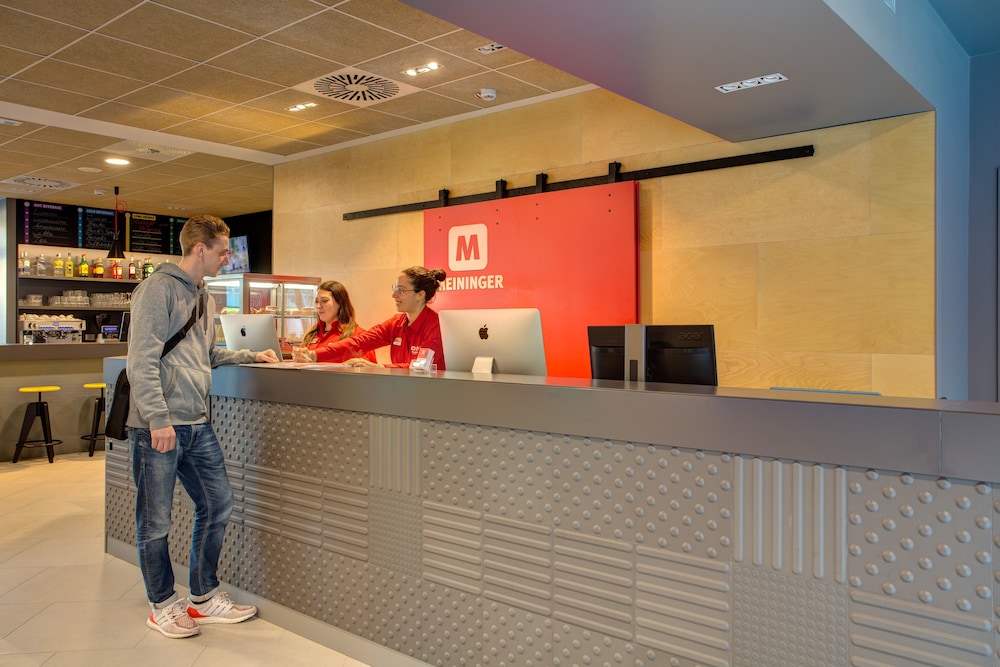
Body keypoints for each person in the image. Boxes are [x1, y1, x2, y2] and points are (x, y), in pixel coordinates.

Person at [127, 214, 279, 639]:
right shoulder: (157, 289)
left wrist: (251, 355)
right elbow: (141, 361)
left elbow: (207, 355)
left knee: (218, 503)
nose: (227, 258)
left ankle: (203, 596)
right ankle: (162, 605)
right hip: (158, 426)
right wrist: (158, 418)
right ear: (200, 248)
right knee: (155, 521)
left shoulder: (204, 297)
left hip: (196, 423)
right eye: (222, 251)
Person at [292, 266, 447, 370]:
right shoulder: (396, 323)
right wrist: (315, 354)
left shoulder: (436, 326)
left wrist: (380, 368)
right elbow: (359, 341)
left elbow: (421, 367)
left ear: (420, 295)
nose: (394, 295)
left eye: (401, 290)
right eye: (395, 288)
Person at [299, 280, 376, 363]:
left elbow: (369, 368)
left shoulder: (358, 336)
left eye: (324, 301)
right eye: (316, 301)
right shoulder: (311, 334)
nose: (318, 306)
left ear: (340, 302)